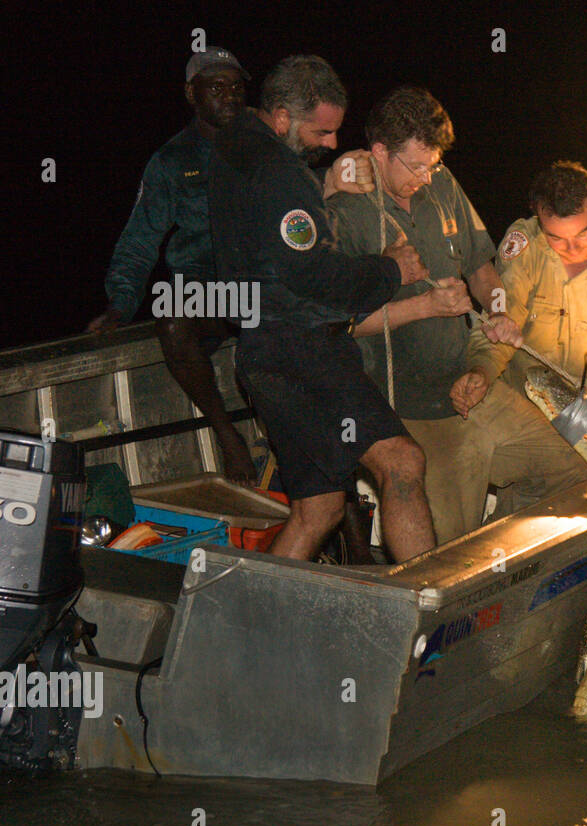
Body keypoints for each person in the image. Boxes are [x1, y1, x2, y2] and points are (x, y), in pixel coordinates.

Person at [329, 87, 587, 542]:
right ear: (378, 152)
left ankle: (506, 549)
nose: (426, 178)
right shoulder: (345, 212)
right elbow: (341, 323)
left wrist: (500, 308)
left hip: (469, 383)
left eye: (433, 165)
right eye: (415, 166)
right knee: (442, 553)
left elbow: (480, 267)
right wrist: (424, 306)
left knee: (577, 467)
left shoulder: (442, 182)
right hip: (407, 410)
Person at [207, 55, 436, 562]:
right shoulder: (278, 172)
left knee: (319, 510)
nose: (331, 142)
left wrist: (325, 187)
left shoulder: (234, 147)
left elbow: (271, 237)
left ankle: (251, 616)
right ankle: (428, 610)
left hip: (261, 354)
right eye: (323, 131)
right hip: (304, 351)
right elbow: (315, 276)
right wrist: (392, 270)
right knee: (401, 463)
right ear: (284, 117)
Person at [89, 47, 261, 481]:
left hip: (260, 284)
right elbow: (139, 240)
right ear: (192, 93)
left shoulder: (266, 143)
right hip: (206, 288)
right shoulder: (171, 161)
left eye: (237, 86)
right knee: (171, 319)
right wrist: (120, 304)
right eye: (216, 87)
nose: (230, 95)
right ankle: (228, 436)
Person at [462, 161, 587, 412]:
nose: (572, 249)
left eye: (582, 233)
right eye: (555, 237)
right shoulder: (525, 243)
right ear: (539, 219)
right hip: (520, 391)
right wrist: (482, 371)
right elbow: (501, 321)